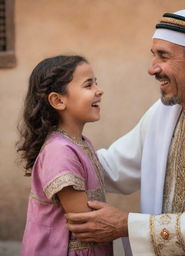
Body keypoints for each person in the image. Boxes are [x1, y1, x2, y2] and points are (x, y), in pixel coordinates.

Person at [66, 9, 185, 256]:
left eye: (163, 56)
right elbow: (114, 167)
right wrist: (61, 151)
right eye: (153, 56)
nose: (152, 68)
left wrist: (126, 225)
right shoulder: (163, 114)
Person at [17, 55, 113, 256]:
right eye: (88, 85)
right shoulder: (59, 151)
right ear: (58, 100)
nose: (99, 90)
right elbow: (87, 223)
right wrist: (140, 226)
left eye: (96, 82)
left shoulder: (81, 143)